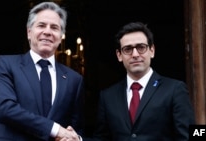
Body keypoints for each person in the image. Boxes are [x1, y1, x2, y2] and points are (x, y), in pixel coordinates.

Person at [60, 22, 196, 141]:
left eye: (141, 47)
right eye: (128, 49)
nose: (135, 54)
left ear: (152, 51)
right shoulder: (108, 96)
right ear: (119, 55)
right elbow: (102, 139)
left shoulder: (174, 89)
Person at [0, 2, 84, 141]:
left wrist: (76, 138)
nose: (47, 31)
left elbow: (75, 128)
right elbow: (4, 109)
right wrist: (55, 129)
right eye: (41, 25)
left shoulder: (74, 79)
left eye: (54, 27)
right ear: (29, 32)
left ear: (60, 36)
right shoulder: (6, 64)